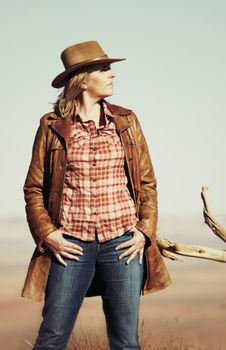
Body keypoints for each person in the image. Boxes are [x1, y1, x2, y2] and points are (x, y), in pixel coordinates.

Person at [21, 40, 172, 350]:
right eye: (104, 69)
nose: (112, 74)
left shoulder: (126, 122)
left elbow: (147, 183)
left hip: (122, 243)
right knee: (51, 339)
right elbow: (33, 188)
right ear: (83, 80)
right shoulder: (52, 128)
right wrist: (47, 233)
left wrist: (145, 231)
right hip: (70, 245)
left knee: (126, 343)